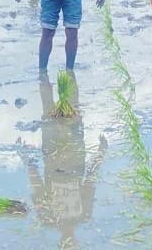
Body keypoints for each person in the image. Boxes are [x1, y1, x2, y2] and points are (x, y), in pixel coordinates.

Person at [27, 71, 106, 247]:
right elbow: (89, 183)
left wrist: (29, 163)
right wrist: (100, 154)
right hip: (74, 160)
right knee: (71, 119)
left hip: (55, 162)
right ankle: (63, 80)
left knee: (51, 118)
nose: (70, 243)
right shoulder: (82, 216)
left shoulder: (48, 218)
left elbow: (38, 187)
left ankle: (52, 82)